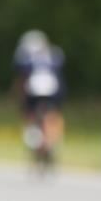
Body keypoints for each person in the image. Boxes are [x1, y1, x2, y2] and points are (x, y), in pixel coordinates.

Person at [13, 30, 65, 159]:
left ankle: (33, 140)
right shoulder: (54, 53)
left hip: (33, 90)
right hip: (53, 89)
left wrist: (17, 94)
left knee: (28, 115)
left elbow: (22, 78)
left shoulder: (25, 56)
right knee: (53, 115)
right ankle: (51, 141)